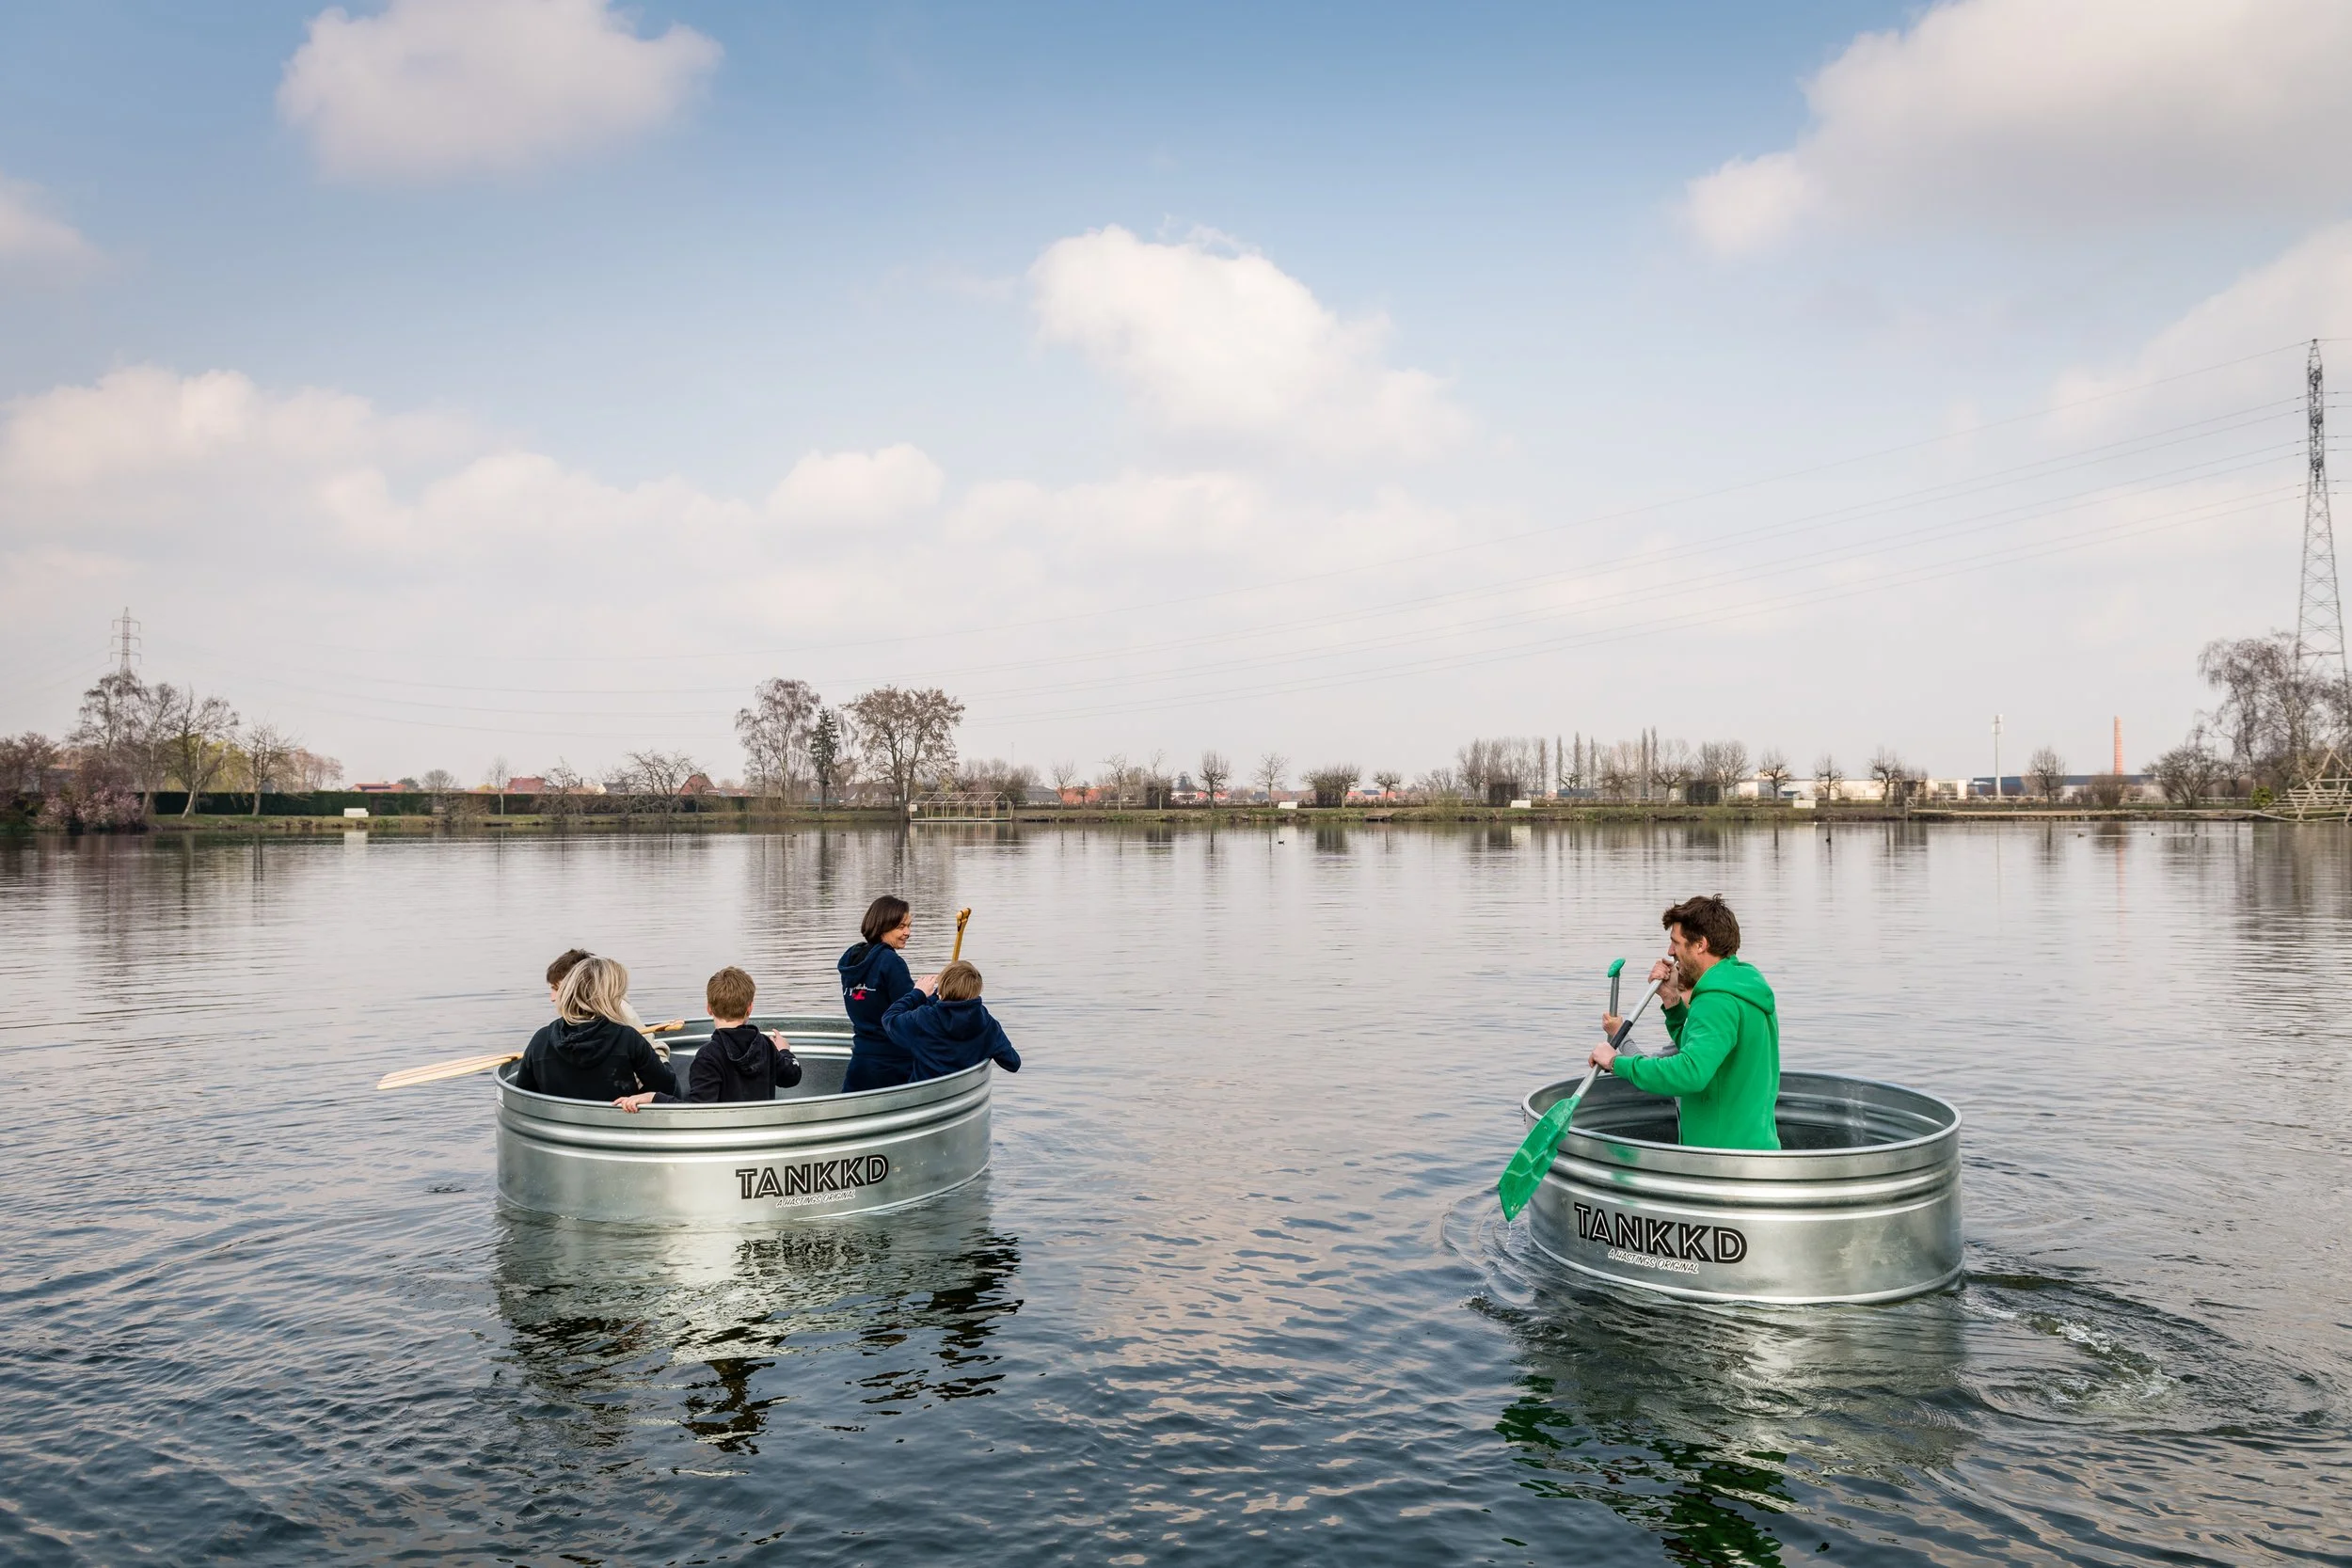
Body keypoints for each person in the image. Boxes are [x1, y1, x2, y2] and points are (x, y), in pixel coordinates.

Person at [1588, 894, 1780, 1150]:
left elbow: (1690, 1073)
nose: (1670, 952)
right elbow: (1707, 1053)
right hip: (1754, 1152)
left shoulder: (1716, 1000)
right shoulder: (1743, 986)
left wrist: (1615, 1062)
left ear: (1700, 944)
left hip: (1723, 1162)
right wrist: (1671, 1000)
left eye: (1675, 942)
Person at [515, 955, 682, 1110]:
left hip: (558, 1132)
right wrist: (660, 1056)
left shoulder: (540, 1039)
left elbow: (523, 1098)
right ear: (608, 995)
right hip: (623, 1130)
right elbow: (669, 1091)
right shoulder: (627, 1038)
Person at [838, 895, 931, 1092]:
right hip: (893, 1064)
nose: (908, 932)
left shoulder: (851, 961)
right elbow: (911, 1016)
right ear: (883, 926)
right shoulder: (891, 962)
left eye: (909, 925)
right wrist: (927, 994)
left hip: (861, 1061)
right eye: (901, 927)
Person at [881, 959, 1020, 1083]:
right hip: (966, 1097)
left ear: (941, 989)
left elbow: (889, 1019)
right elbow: (1013, 1063)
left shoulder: (923, 1018)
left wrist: (918, 993)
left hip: (924, 1099)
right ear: (977, 991)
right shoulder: (988, 1024)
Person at [686, 965, 803, 1103]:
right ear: (750, 1008)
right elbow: (792, 1076)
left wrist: (657, 1098)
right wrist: (784, 1051)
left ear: (709, 1008)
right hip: (763, 1124)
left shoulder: (707, 1056)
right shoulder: (765, 1045)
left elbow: (698, 1111)